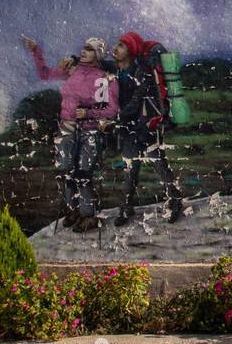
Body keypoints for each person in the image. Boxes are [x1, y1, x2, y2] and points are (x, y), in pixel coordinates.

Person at [23, 35, 119, 232]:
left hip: (89, 131)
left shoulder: (102, 78)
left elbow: (110, 109)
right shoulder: (72, 71)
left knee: (83, 173)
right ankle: (72, 210)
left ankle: (88, 215)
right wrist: (36, 52)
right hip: (66, 128)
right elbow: (44, 74)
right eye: (84, 48)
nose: (84, 51)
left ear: (98, 54)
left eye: (89, 49)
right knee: (67, 172)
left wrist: (89, 112)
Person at [109, 32, 184, 226]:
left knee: (159, 165)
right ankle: (126, 207)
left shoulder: (142, 72)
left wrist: (115, 117)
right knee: (130, 169)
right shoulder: (116, 71)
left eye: (121, 46)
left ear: (131, 50)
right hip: (127, 127)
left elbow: (136, 101)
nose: (116, 49)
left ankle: (175, 202)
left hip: (146, 125)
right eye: (117, 45)